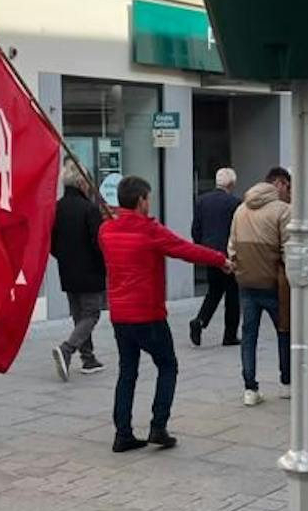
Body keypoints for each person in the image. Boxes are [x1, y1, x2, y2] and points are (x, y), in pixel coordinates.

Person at [98, 175, 230, 452]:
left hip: (120, 314)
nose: (150, 202)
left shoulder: (106, 230)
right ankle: (158, 426)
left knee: (127, 372)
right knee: (168, 365)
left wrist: (117, 219)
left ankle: (122, 433)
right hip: (147, 312)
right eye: (148, 198)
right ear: (141, 201)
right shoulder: (149, 231)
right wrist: (220, 260)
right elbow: (185, 249)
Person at [229, 172, 293, 405]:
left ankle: (250, 388)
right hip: (275, 284)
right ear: (280, 184)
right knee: (285, 331)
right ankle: (286, 383)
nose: (289, 192)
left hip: (246, 282)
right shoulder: (283, 210)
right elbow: (289, 250)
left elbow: (232, 247)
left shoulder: (240, 209)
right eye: (288, 186)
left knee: (249, 335)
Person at [49, 164, 107, 380]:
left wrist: (65, 257)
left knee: (79, 315)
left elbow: (51, 243)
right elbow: (98, 243)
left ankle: (88, 358)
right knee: (91, 313)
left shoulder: (57, 207)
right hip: (90, 270)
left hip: (67, 269)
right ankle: (67, 349)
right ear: (82, 182)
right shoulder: (89, 209)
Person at [188, 167, 241, 347]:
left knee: (214, 291)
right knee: (232, 294)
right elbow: (238, 231)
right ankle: (230, 335)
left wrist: (202, 248)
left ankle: (200, 321)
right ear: (232, 184)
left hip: (210, 253)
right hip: (229, 254)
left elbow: (196, 228)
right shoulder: (235, 203)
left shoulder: (202, 201)